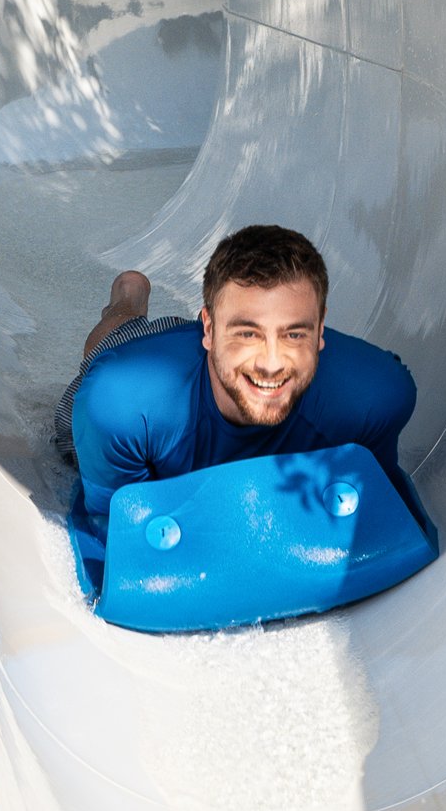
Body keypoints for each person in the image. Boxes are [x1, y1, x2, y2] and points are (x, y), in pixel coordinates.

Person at [63, 224, 421, 588]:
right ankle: (127, 299)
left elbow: (375, 512)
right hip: (151, 363)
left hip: (201, 360)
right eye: (248, 333)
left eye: (294, 334)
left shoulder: (375, 397)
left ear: (320, 330)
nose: (271, 363)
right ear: (209, 329)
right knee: (113, 340)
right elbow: (121, 538)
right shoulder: (120, 407)